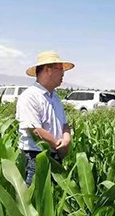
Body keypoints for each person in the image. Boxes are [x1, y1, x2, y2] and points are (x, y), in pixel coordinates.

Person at [17, 51, 74, 186]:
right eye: (60, 69)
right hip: (36, 158)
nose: (63, 73)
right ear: (48, 70)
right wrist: (59, 146)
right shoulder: (30, 96)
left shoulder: (55, 97)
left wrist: (66, 139)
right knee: (36, 202)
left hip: (55, 157)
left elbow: (64, 124)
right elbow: (35, 130)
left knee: (53, 201)